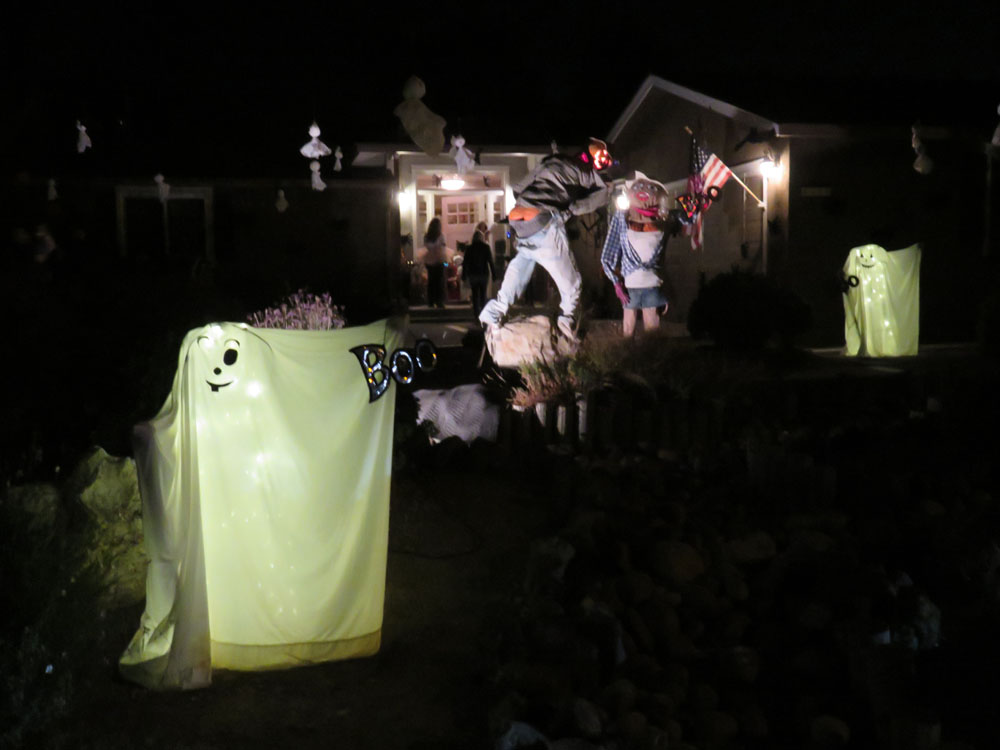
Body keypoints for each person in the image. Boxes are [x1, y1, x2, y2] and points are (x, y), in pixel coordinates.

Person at [479, 137, 614, 340]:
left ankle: (493, 313)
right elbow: (591, 200)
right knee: (573, 285)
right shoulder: (586, 173)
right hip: (542, 221)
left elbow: (518, 189)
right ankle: (566, 324)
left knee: (522, 268)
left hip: (518, 219)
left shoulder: (550, 161)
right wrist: (573, 206)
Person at [601, 172, 675, 337]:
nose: (643, 190)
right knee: (628, 329)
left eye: (650, 187)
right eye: (639, 186)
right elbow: (608, 255)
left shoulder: (663, 219)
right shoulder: (622, 218)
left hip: (653, 283)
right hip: (630, 285)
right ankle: (628, 353)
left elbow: (683, 222)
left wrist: (694, 210)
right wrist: (616, 283)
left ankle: (649, 353)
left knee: (652, 330)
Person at [462, 223, 496, 319]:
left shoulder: (469, 248)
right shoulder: (486, 247)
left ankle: (476, 313)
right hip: (483, 274)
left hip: (473, 274)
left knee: (475, 294)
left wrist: (464, 275)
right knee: (483, 294)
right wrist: (494, 274)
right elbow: (490, 262)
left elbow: (465, 263)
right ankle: (484, 313)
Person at [421, 218, 448, 308]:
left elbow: (428, 246)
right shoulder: (440, 236)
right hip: (438, 261)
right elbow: (442, 247)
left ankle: (432, 301)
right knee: (438, 281)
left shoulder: (428, 236)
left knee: (433, 281)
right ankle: (438, 301)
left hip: (432, 261)